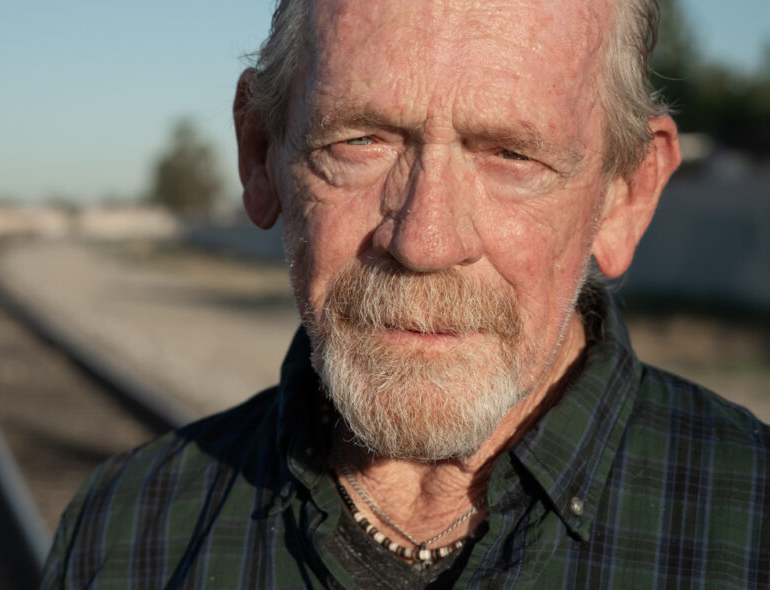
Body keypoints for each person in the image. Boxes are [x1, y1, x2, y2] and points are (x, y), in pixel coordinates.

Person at [40, 0, 769, 587]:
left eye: (511, 155)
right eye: (360, 141)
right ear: (261, 154)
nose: (422, 241)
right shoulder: (123, 535)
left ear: (625, 196)